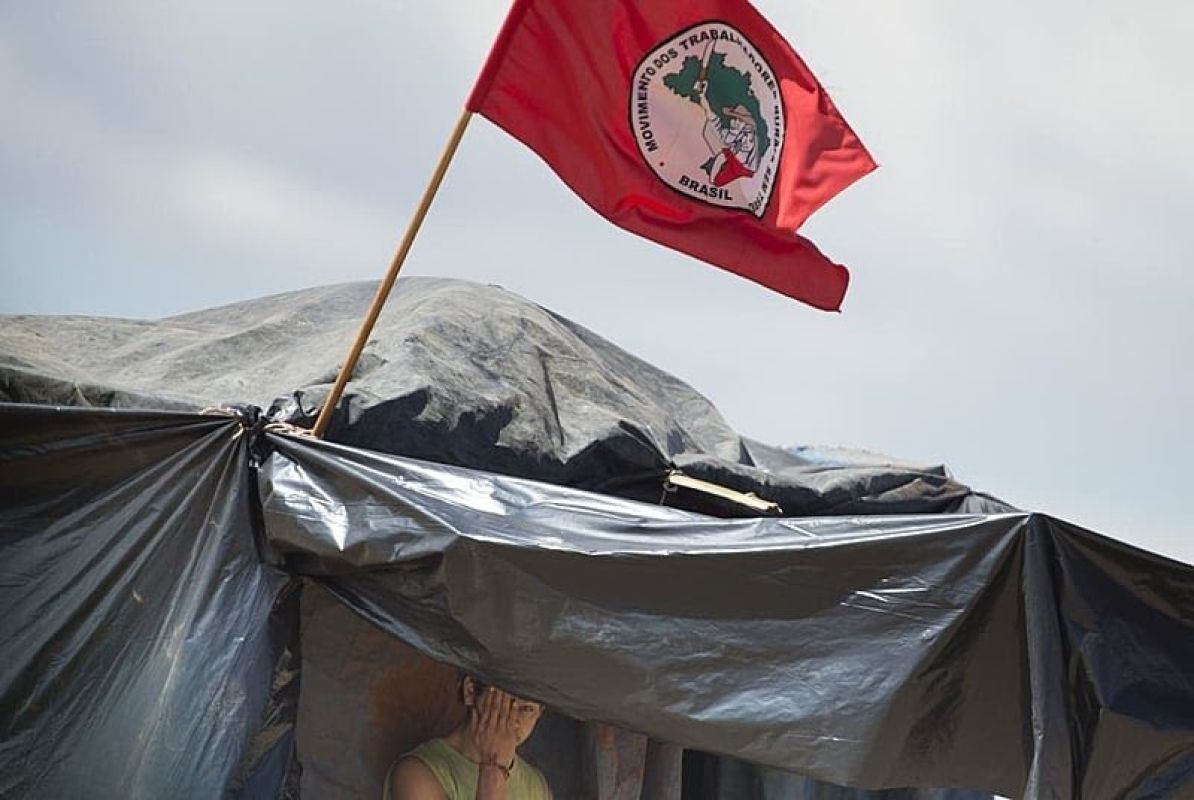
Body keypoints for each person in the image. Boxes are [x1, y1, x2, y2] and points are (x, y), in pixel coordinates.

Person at [385, 676, 551, 800]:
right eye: (501, 704)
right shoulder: (416, 774)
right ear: (470, 691)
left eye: (526, 709)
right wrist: (492, 772)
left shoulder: (536, 785)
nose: (511, 719)